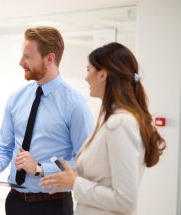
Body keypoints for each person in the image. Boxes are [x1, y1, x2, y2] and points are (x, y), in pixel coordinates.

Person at [0, 26, 94, 215]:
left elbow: (86, 163)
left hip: (53, 205)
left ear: (50, 58)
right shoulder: (16, 98)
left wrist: (40, 168)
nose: (21, 62)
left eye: (27, 57)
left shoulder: (75, 104)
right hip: (15, 202)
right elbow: (5, 148)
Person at [39, 42, 166, 215]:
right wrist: (68, 176)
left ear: (103, 75)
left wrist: (75, 183)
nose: (85, 78)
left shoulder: (121, 124)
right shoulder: (110, 120)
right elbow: (101, 177)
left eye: (88, 69)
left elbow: (125, 201)